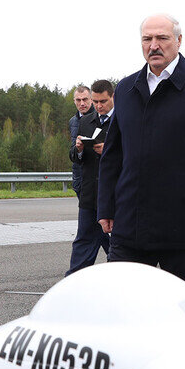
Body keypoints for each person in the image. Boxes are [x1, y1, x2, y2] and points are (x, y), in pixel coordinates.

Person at [97, 14, 185, 286]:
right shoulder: (126, 89)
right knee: (125, 309)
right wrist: (106, 206)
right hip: (131, 227)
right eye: (147, 39)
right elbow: (113, 154)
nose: (154, 45)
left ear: (179, 41)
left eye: (162, 38)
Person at [66, 80, 115, 275]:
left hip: (115, 193)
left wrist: (108, 151)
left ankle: (120, 284)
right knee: (83, 241)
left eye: (102, 101)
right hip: (89, 193)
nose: (98, 106)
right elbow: (74, 157)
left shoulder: (124, 120)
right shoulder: (84, 122)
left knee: (118, 244)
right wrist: (78, 149)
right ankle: (73, 283)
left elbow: (133, 155)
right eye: (95, 102)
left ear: (112, 97)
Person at [68, 85, 93, 196]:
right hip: (79, 179)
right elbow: (72, 152)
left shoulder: (100, 118)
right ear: (74, 101)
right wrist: (78, 149)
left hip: (96, 179)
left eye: (85, 99)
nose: (82, 103)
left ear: (91, 99)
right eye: (78, 100)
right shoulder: (73, 122)